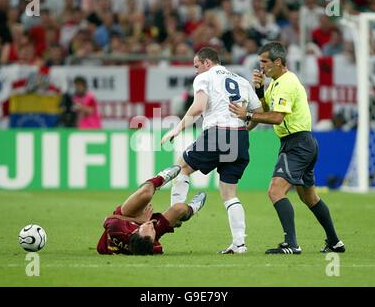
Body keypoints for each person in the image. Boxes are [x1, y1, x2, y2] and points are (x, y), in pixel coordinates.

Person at [229, 41, 345, 254]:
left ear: (278, 61)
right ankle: (335, 242)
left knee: (275, 191)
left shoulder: (287, 83)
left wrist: (246, 114)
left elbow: (276, 117)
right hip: (300, 143)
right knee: (309, 198)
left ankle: (292, 244)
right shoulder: (275, 82)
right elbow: (267, 109)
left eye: (264, 62)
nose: (261, 66)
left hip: (297, 144)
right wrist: (259, 89)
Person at [161, 47, 263, 254]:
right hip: (240, 136)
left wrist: (178, 128)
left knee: (181, 166)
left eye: (197, 66)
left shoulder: (205, 77)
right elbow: (259, 113)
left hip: (218, 132)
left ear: (207, 63)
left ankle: (175, 212)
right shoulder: (242, 81)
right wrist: (243, 130)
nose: (196, 71)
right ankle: (239, 244)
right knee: (229, 191)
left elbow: (198, 107)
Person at [97, 165, 206, 255]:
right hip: (142, 228)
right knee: (180, 208)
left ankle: (160, 178)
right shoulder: (153, 246)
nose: (150, 225)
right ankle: (191, 210)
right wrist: (166, 225)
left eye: (146, 228)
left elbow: (109, 218)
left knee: (145, 195)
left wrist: (140, 220)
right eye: (153, 231)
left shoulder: (117, 229)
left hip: (126, 216)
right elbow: (158, 247)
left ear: (135, 231)